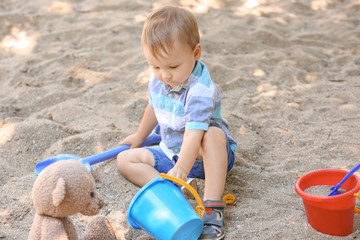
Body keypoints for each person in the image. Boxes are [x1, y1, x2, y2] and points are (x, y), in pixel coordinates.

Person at [117, 5, 237, 240]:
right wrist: (139, 137)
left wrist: (182, 167)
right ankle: (171, 194)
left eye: (172, 66)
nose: (164, 75)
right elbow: (154, 107)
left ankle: (213, 207)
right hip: (172, 152)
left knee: (212, 135)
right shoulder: (159, 79)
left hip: (206, 157)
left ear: (196, 53)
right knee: (125, 159)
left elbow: (194, 133)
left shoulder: (200, 89)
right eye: (155, 66)